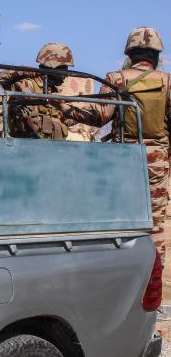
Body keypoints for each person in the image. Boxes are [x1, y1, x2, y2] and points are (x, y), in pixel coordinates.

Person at [60, 26, 169, 262]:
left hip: (123, 160)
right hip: (157, 162)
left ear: (129, 54)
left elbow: (99, 116)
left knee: (124, 222)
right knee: (156, 224)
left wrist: (66, 109)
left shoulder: (116, 78)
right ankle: (153, 288)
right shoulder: (167, 82)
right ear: (157, 56)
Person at [0, 43, 74, 140]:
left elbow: (60, 119)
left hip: (53, 148)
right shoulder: (25, 84)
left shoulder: (53, 93)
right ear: (53, 66)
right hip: (25, 145)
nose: (66, 75)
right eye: (64, 69)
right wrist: (19, 72)